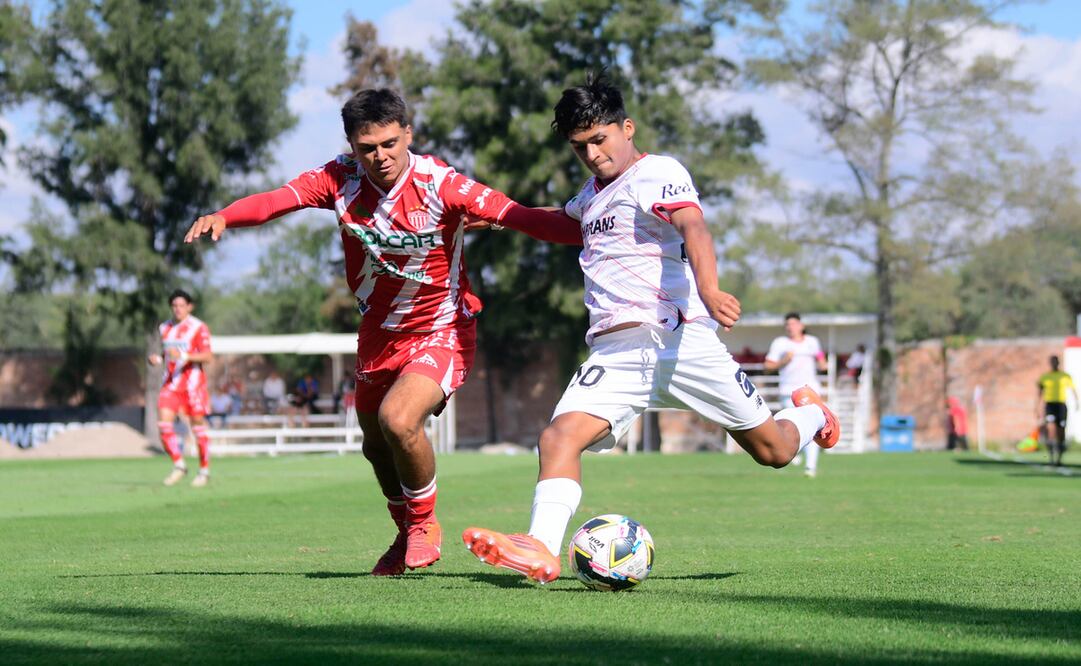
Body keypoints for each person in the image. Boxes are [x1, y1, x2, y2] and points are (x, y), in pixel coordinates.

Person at [459, 74, 840, 584]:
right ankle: (541, 549)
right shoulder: (592, 196)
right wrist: (502, 216)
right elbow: (561, 224)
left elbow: (693, 225)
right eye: (580, 146)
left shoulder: (657, 172)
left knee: (774, 450)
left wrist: (708, 287)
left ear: (626, 128)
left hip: (680, 343)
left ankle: (811, 416)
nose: (593, 153)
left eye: (600, 139)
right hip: (616, 351)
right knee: (557, 438)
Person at [185, 88, 568, 575]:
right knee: (374, 444)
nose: (381, 156)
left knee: (398, 419)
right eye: (368, 148)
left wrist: (597, 225)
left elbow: (523, 218)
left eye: (390, 143)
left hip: (441, 329)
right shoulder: (338, 178)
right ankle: (405, 528)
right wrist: (225, 216)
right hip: (378, 335)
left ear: (407, 133)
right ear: (352, 146)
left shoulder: (441, 184)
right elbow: (277, 201)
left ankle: (425, 521)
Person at [147, 289, 214, 487]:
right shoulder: (164, 327)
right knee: (163, 425)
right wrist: (157, 358)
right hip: (170, 384)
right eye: (174, 306)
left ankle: (204, 470)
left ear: (189, 307)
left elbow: (208, 356)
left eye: (181, 305)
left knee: (197, 427)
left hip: (193, 385)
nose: (177, 309)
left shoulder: (198, 327)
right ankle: (179, 465)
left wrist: (184, 356)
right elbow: (166, 352)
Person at [764, 313, 829, 478]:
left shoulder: (812, 342)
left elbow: (820, 356)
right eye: (788, 324)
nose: (790, 327)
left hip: (809, 391)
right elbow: (768, 366)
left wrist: (822, 363)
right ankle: (794, 452)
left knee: (812, 427)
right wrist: (783, 362)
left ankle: (810, 467)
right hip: (788, 391)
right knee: (789, 427)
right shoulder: (780, 343)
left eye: (793, 324)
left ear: (801, 325)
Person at [1036, 355, 1078, 466]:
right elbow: (1040, 393)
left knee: (1061, 432)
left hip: (1061, 405)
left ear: (1058, 363)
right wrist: (1037, 407)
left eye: (1056, 362)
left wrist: (1077, 402)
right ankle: (1051, 457)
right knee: (1051, 429)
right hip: (1050, 405)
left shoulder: (1065, 376)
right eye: (1052, 362)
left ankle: (1059, 459)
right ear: (1050, 363)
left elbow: (1073, 389)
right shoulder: (1045, 377)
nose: (1054, 364)